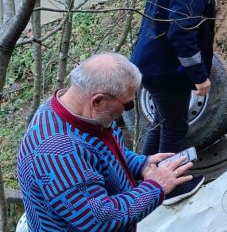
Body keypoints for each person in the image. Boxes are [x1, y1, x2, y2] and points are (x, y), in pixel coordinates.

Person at [17, 53, 196, 231]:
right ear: (98, 100)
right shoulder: (56, 153)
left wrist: (141, 165)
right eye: (127, 105)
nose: (127, 109)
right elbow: (100, 219)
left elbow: (107, 151)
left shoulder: (83, 114)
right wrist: (156, 187)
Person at [130, 0, 227, 196]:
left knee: (161, 121)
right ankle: (171, 187)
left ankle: (142, 177)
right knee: (175, 125)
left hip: (150, 58)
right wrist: (198, 76)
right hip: (165, 67)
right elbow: (182, 32)